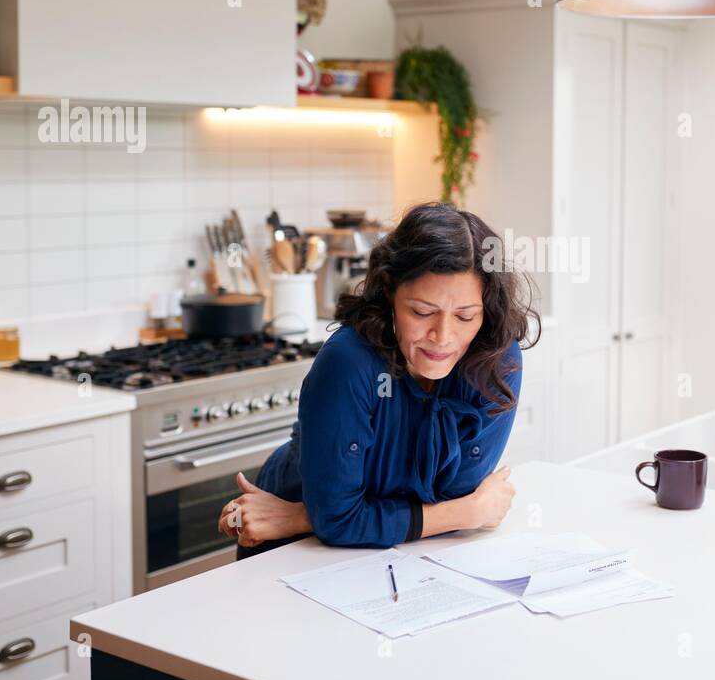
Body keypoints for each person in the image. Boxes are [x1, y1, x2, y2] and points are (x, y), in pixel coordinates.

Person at [218, 201, 539, 557]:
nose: (442, 336)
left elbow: (451, 498)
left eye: (465, 316)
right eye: (422, 311)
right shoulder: (349, 361)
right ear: (389, 290)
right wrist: (469, 512)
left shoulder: (497, 361)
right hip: (298, 547)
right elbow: (460, 509)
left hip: (366, 540)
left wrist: (310, 516)